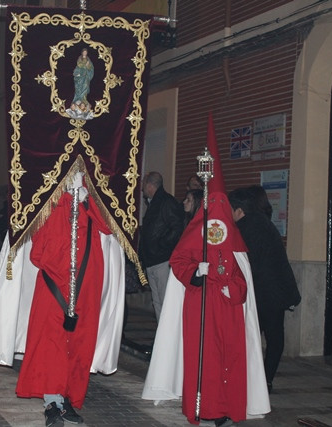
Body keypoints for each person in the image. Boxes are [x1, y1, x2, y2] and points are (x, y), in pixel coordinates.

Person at [142, 114, 270, 425]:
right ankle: (201, 405)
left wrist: (230, 285)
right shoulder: (195, 230)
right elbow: (179, 262)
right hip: (199, 305)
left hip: (227, 310)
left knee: (228, 360)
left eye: (221, 205)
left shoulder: (236, 241)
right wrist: (195, 274)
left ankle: (226, 407)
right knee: (202, 359)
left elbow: (243, 281)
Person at [15, 173, 112, 426]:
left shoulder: (94, 200)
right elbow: (36, 252)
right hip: (53, 284)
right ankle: (53, 401)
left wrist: (88, 199)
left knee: (79, 342)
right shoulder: (47, 202)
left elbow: (110, 225)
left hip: (86, 283)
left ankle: (67, 396)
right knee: (51, 342)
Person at [228, 187, 301, 393]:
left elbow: (249, 263)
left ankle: (261, 380)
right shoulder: (260, 222)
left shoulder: (248, 226)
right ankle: (264, 380)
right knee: (272, 335)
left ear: (239, 210)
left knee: (258, 336)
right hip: (273, 290)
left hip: (266, 292)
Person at [139, 171, 184, 321]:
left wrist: (161, 245)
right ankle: (162, 335)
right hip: (153, 259)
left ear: (150, 185)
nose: (142, 189)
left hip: (162, 260)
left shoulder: (166, 202)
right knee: (157, 301)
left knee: (165, 300)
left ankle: (169, 336)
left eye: (144, 184)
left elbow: (177, 227)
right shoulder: (155, 202)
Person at [68, 47, 94, 118]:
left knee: (85, 88)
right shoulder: (79, 62)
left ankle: (84, 100)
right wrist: (77, 74)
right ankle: (78, 100)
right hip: (79, 80)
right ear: (82, 53)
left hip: (85, 78)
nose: (85, 53)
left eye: (86, 52)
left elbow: (91, 70)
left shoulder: (89, 61)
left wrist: (87, 68)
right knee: (78, 90)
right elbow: (75, 71)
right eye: (84, 52)